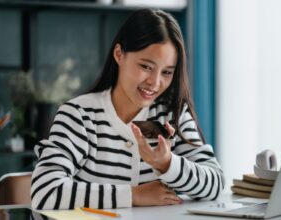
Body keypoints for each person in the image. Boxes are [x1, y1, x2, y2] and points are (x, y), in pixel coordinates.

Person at [31, 8, 224, 210]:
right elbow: (45, 191)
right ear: (119, 54)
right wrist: (134, 195)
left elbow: (216, 184)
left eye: (166, 72)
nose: (155, 83)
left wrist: (167, 163)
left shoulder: (172, 115)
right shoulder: (80, 116)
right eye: (146, 67)